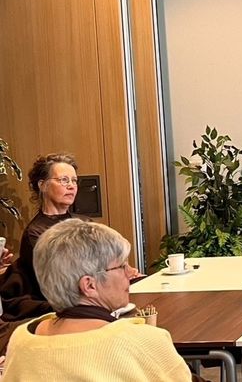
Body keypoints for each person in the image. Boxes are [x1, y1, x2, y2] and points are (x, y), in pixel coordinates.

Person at [1, 219, 192, 381]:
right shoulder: (141, 341)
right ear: (89, 285)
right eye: (121, 266)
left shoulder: (21, 341)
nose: (130, 273)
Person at [0, 154, 90, 326]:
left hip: (89, 291)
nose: (71, 186)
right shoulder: (36, 233)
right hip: (59, 303)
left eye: (74, 181)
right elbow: (63, 278)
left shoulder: (85, 223)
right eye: (64, 180)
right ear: (42, 185)